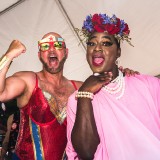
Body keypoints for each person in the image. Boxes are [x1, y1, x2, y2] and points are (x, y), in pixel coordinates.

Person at [66, 13, 160, 160]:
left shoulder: (149, 85)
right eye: (91, 43)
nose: (97, 48)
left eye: (106, 43)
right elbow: (86, 154)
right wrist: (84, 94)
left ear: (118, 52)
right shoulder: (75, 100)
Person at [0, 32, 83, 160]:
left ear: (66, 52)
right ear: (39, 55)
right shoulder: (29, 80)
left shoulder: (80, 88)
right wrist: (8, 55)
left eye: (57, 45)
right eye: (45, 46)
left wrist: (123, 75)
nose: (51, 49)